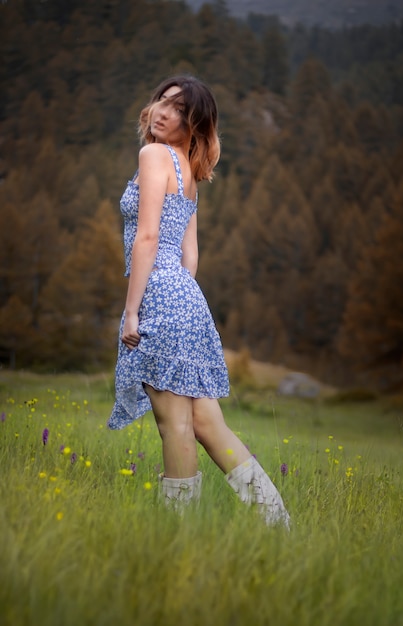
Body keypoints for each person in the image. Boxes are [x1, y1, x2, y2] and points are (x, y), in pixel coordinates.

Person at [108, 75, 290, 528]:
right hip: (187, 296)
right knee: (208, 424)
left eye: (177, 110)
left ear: (194, 126)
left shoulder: (152, 155)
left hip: (159, 294)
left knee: (176, 425)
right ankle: (276, 519)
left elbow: (147, 237)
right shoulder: (189, 169)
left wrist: (134, 310)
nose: (161, 112)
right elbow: (190, 255)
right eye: (161, 102)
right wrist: (179, 301)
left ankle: (178, 532)